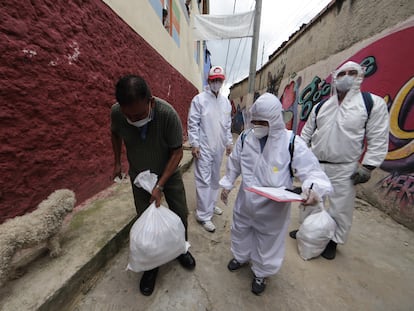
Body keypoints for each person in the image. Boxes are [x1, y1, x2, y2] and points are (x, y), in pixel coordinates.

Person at [219, 93, 333, 295]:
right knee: (240, 230)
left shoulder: (291, 143)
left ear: (274, 120)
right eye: (255, 121)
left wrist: (313, 189)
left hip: (273, 209)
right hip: (246, 201)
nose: (257, 126)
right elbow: (235, 163)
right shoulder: (246, 138)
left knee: (268, 241)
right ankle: (240, 256)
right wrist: (227, 184)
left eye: (262, 122)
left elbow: (312, 172)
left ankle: (261, 273)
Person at [290, 61, 389, 260]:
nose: (347, 77)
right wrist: (298, 158)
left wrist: (368, 167)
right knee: (309, 200)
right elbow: (306, 133)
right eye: (342, 73)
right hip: (316, 164)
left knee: (340, 207)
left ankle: (332, 241)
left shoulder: (370, 104)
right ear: (336, 77)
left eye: (352, 73)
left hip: (345, 167)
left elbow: (378, 136)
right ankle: (307, 230)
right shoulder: (322, 106)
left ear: (360, 76)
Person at [111, 75, 196, 296]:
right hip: (139, 175)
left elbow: (177, 152)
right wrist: (117, 161)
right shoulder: (118, 113)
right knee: (145, 218)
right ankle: (151, 265)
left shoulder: (167, 115)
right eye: (128, 116)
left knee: (179, 212)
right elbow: (115, 132)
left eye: (138, 115)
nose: (133, 119)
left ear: (151, 102)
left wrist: (160, 186)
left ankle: (180, 249)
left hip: (168, 170)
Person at [187, 66, 233, 232]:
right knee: (203, 180)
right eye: (214, 80)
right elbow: (193, 123)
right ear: (209, 81)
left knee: (214, 178)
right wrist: (195, 144)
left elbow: (227, 125)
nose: (217, 83)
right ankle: (203, 215)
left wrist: (228, 143)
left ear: (223, 81)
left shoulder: (225, 102)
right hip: (204, 148)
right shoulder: (199, 100)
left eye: (219, 80)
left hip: (219, 147)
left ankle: (211, 205)